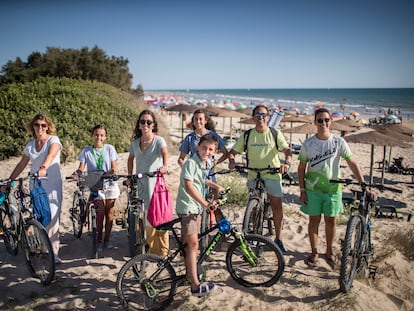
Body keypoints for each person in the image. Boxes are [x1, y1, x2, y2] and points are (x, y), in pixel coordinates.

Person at [297, 108, 371, 269]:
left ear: (331, 122)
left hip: (333, 190)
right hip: (312, 190)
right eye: (320, 120)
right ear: (314, 122)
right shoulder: (309, 144)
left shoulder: (339, 142)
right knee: (314, 221)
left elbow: (352, 162)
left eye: (326, 120)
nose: (323, 123)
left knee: (331, 221)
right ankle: (314, 252)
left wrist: (363, 183)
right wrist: (302, 190)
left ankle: (329, 251)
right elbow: (301, 168)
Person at [228, 104, 292, 254]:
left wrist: (287, 163)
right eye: (257, 115)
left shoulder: (275, 133)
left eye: (263, 115)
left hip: (272, 174)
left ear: (268, 118)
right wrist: (231, 161)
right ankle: (254, 234)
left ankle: (278, 239)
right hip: (253, 174)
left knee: (277, 206)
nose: (260, 118)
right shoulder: (248, 135)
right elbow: (233, 152)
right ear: (253, 117)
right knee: (254, 206)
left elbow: (287, 151)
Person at [9, 113, 63, 264]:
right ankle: (43, 247)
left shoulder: (53, 140)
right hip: (36, 185)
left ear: (48, 127)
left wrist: (44, 166)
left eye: (43, 125)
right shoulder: (30, 145)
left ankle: (54, 252)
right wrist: (10, 179)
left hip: (52, 185)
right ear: (33, 126)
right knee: (39, 216)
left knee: (52, 217)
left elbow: (52, 153)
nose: (40, 128)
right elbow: (22, 164)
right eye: (37, 125)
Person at [176, 134, 223, 296]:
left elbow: (201, 180)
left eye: (211, 149)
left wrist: (216, 186)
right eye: (204, 147)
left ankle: (189, 274)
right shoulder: (190, 162)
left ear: (214, 151)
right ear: (198, 147)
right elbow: (189, 186)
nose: (207, 151)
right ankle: (195, 286)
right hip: (188, 207)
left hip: (195, 208)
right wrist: (206, 204)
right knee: (194, 245)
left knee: (187, 246)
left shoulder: (204, 163)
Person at [127, 110, 169, 257]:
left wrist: (165, 166)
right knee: (143, 215)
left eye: (148, 122)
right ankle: (149, 248)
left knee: (158, 215)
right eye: (142, 122)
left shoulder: (159, 141)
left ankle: (161, 251)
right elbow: (130, 158)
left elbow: (165, 154)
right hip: (140, 182)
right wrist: (130, 175)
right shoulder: (135, 143)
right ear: (139, 125)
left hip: (155, 184)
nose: (145, 124)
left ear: (153, 125)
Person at [75, 124, 120, 252]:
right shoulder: (87, 150)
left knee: (110, 214)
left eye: (101, 135)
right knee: (100, 214)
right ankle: (99, 240)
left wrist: (108, 173)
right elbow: (81, 167)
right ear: (92, 136)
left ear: (105, 137)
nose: (98, 137)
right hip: (96, 183)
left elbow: (114, 167)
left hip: (109, 183)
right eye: (96, 134)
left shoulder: (110, 149)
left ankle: (107, 240)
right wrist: (77, 173)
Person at [178, 109, 228, 173]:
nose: (198, 121)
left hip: (209, 174)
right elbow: (180, 159)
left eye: (200, 119)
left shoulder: (213, 135)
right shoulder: (189, 138)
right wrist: (186, 168)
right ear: (193, 121)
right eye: (196, 119)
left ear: (205, 121)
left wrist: (214, 163)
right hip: (194, 174)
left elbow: (226, 153)